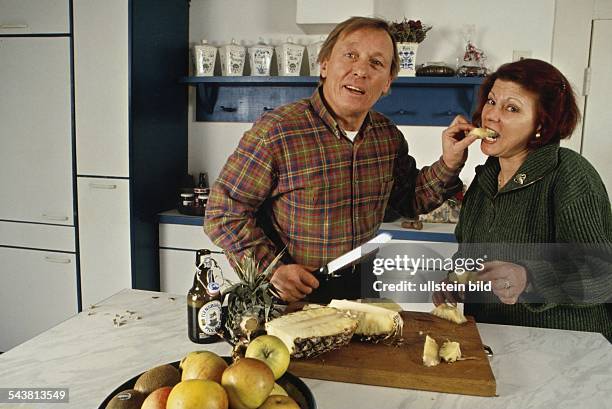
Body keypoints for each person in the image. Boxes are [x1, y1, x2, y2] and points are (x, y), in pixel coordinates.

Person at [204, 17, 478, 303]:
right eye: (350, 55)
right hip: (293, 291)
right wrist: (271, 269)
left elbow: (409, 200)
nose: (360, 70)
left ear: (387, 83)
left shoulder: (387, 136)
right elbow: (223, 213)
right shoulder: (277, 131)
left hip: (362, 287)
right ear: (324, 64)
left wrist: (449, 162)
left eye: (376, 63)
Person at [433, 59, 612, 340]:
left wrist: (529, 278)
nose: (490, 115)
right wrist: (455, 281)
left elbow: (602, 273)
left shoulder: (569, 172)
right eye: (491, 102)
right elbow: (470, 255)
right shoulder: (484, 179)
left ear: (541, 125)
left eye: (512, 108)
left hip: (563, 352)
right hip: (493, 343)